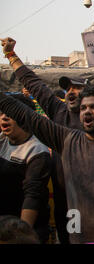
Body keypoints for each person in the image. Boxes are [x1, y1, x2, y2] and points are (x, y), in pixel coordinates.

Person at [1, 37, 94, 244]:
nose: (71, 92)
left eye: (77, 88)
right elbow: (32, 89)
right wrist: (11, 55)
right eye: (68, 89)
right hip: (70, 206)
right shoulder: (65, 132)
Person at [0, 94, 51, 243]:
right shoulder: (2, 139)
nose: (4, 118)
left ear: (25, 117)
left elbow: (32, 196)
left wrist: (21, 236)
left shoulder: (37, 151)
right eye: (2, 112)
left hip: (24, 230)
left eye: (10, 114)